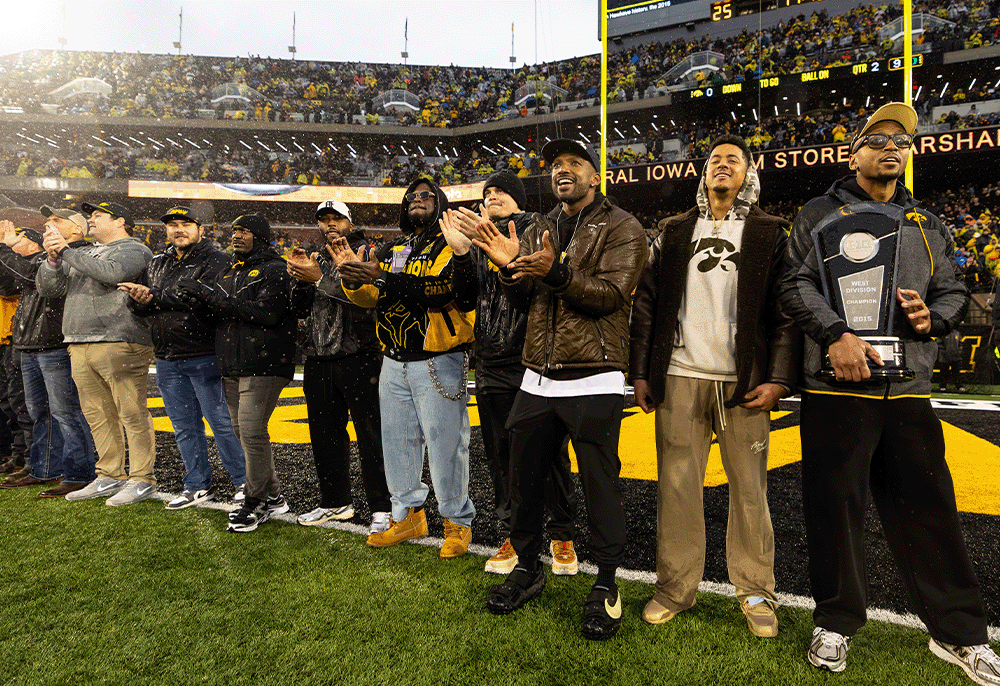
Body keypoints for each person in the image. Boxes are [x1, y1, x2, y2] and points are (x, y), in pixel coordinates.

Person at [780, 102, 1000, 684]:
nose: (892, 148)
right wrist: (836, 335)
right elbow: (794, 283)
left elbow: (953, 290)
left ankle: (959, 633)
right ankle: (835, 622)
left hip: (907, 389)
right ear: (853, 153)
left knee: (930, 510)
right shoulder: (817, 213)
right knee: (834, 509)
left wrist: (935, 319)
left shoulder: (928, 222)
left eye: (901, 141)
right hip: (836, 387)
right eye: (878, 139)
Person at [474, 139, 646, 640]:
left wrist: (556, 272)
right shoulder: (539, 226)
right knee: (524, 478)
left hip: (594, 372)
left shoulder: (623, 226)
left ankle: (607, 582)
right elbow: (526, 299)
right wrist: (510, 270)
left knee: (599, 486)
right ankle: (529, 567)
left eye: (574, 163)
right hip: (537, 374)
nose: (562, 170)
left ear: (595, 176)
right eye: (555, 165)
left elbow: (611, 296)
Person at [628, 134, 799, 638]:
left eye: (733, 160)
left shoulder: (771, 232)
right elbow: (646, 304)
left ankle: (756, 590)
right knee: (677, 488)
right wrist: (641, 372)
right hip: (681, 373)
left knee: (750, 490)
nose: (722, 166)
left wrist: (779, 378)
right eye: (714, 160)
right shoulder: (674, 230)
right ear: (703, 174)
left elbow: (785, 311)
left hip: (743, 381)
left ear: (749, 174)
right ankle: (674, 588)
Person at [441, 171, 578, 576]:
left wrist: (509, 254)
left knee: (549, 451)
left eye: (501, 190)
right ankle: (514, 535)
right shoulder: (477, 238)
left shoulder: (539, 226)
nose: (492, 196)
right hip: (490, 360)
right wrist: (462, 255)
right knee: (502, 457)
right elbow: (465, 298)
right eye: (487, 192)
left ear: (518, 198)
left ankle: (562, 533)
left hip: (533, 358)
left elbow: (538, 289)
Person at [338, 178, 476, 559]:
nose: (417, 200)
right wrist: (352, 278)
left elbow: (440, 291)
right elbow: (372, 295)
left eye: (425, 195)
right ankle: (408, 516)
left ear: (440, 202)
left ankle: (457, 522)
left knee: (447, 445)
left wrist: (383, 277)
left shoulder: (450, 242)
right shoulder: (394, 248)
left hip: (438, 357)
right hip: (393, 359)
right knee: (397, 444)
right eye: (411, 196)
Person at [119, 206, 247, 510]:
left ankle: (245, 482)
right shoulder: (157, 262)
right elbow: (143, 305)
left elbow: (199, 299)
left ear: (201, 229)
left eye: (186, 224)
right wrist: (139, 300)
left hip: (205, 353)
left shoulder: (217, 259)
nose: (178, 229)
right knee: (184, 426)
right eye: (173, 224)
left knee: (222, 424)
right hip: (167, 355)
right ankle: (197, 485)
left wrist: (154, 296)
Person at [176, 213, 296, 533]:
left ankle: (256, 501)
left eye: (244, 231)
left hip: (264, 362)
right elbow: (221, 312)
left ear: (260, 235)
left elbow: (267, 313)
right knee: (244, 432)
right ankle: (273, 496)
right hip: (233, 363)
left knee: (252, 432)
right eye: (234, 231)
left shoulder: (276, 269)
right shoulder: (230, 270)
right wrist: (198, 301)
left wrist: (211, 297)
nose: (236, 235)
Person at [36, 200, 156, 506]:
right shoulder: (85, 252)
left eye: (99, 215)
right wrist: (52, 260)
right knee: (98, 415)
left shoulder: (134, 248)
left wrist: (65, 251)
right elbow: (49, 289)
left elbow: (111, 273)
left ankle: (142, 478)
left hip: (119, 338)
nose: (91, 219)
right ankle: (109, 474)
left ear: (120, 221)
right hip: (78, 340)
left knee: (131, 412)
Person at [286, 199, 392, 535]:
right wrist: (300, 280)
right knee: (324, 436)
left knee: (372, 437)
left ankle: (383, 507)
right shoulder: (314, 256)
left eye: (337, 218)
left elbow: (367, 302)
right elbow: (299, 310)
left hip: (360, 355)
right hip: (318, 357)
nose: (330, 224)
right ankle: (335, 502)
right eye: (324, 219)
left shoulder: (368, 253)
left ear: (350, 222)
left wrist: (318, 279)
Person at [0, 213, 94, 496]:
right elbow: (8, 284)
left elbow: (29, 277)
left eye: (57, 219)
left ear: (77, 229)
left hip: (55, 343)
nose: (48, 224)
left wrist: (3, 248)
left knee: (66, 412)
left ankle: (79, 472)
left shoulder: (77, 255)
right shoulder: (44, 258)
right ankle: (44, 469)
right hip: (32, 343)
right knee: (40, 412)